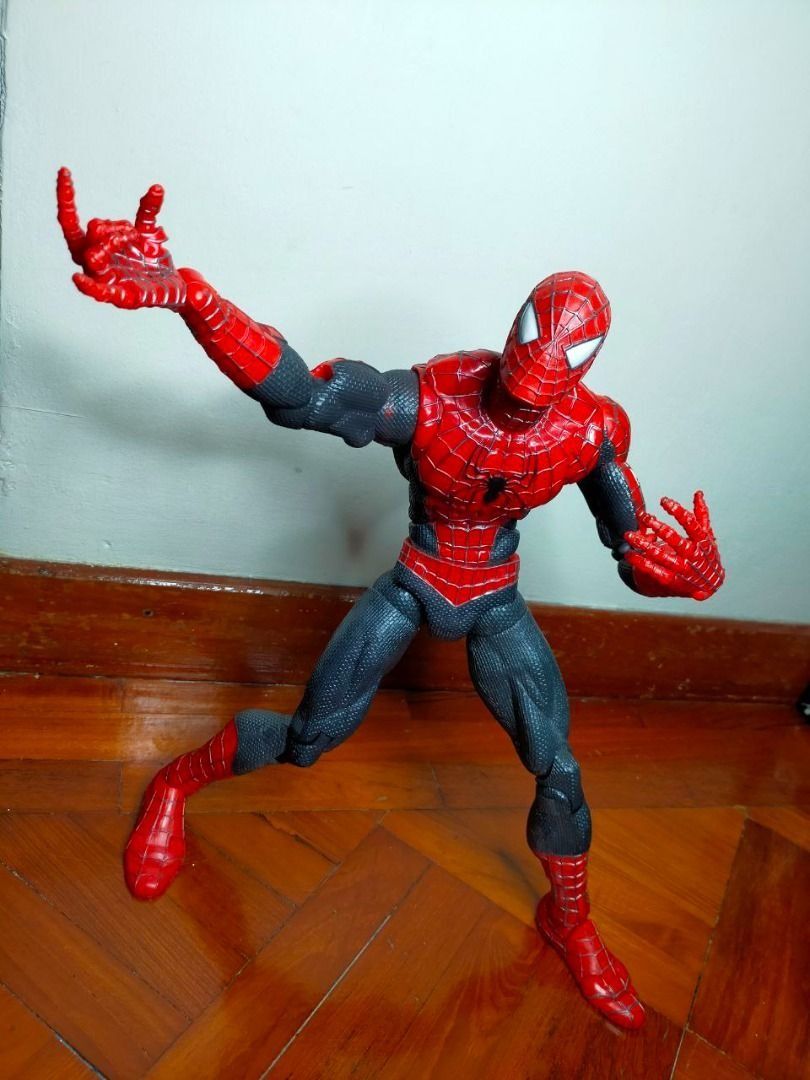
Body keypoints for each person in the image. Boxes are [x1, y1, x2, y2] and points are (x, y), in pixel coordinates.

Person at [57, 168, 724, 1030]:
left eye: (543, 390)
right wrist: (193, 297)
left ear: (578, 377)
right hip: (416, 580)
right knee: (308, 739)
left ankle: (569, 918)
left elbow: (633, 551)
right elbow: (306, 396)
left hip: (495, 597)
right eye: (516, 377)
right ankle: (176, 782)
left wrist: (688, 578)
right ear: (507, 342)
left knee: (558, 769)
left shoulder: (593, 430)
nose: (522, 398)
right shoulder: (436, 396)